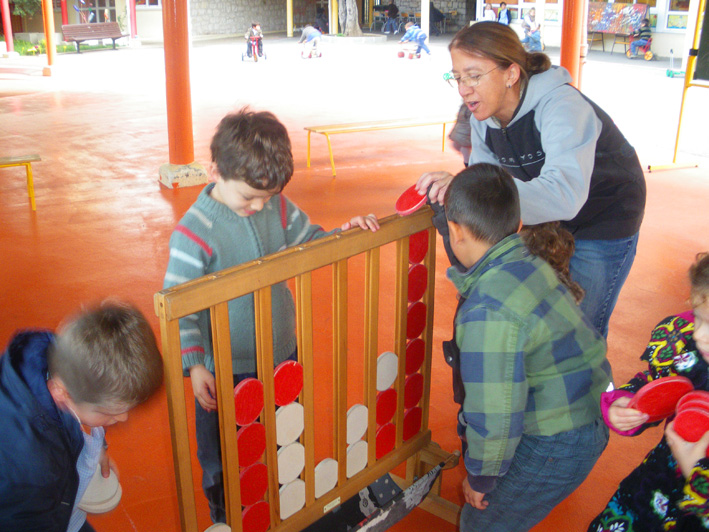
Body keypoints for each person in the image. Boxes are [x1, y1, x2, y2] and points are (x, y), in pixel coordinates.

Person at [163, 109, 379, 524]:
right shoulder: (193, 233)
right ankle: (230, 518)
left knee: (285, 440)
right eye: (249, 197)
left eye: (268, 196)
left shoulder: (274, 205)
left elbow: (309, 242)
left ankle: (282, 510)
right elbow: (180, 307)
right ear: (214, 171)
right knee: (225, 460)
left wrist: (344, 233)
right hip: (225, 371)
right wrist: (195, 367)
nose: (260, 205)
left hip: (280, 355)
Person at [416, 22, 646, 339]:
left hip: (605, 214)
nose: (464, 88)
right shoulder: (484, 117)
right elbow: (488, 186)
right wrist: (460, 192)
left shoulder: (562, 106)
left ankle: (591, 387)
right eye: (457, 78)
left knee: (581, 328)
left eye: (474, 76)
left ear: (511, 74)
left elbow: (564, 195)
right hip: (548, 218)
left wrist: (464, 188)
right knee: (540, 323)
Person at [435, 163, 610, 532]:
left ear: (456, 231)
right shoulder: (529, 262)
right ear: (517, 225)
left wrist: (481, 479)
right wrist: (443, 216)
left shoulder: (487, 311)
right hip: (591, 416)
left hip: (554, 444)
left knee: (483, 524)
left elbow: (494, 412)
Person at [0, 301, 163, 532]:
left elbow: (82, 415)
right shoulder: (29, 472)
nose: (124, 418)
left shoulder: (71, 360)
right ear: (61, 392)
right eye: (109, 412)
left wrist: (96, 448)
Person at [588, 252, 709, 531]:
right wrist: (628, 401)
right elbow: (660, 384)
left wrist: (696, 474)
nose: (699, 334)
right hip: (653, 490)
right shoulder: (691, 350)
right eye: (699, 319)